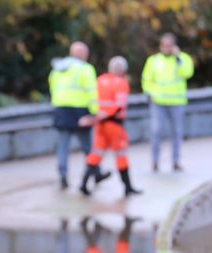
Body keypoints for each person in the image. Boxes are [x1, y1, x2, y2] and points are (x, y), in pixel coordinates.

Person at [49, 41, 110, 189]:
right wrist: (95, 112)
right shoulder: (85, 69)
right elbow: (92, 92)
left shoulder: (57, 69)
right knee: (88, 146)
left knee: (63, 145)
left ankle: (63, 175)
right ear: (82, 54)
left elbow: (52, 87)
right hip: (80, 111)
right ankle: (96, 172)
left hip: (61, 109)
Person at [78, 56, 142, 197]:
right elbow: (119, 106)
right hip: (114, 124)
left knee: (96, 153)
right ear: (123, 70)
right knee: (121, 155)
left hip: (100, 124)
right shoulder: (121, 83)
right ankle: (128, 187)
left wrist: (95, 117)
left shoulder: (99, 80)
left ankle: (83, 184)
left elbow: (93, 100)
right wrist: (107, 116)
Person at [141, 32, 194, 172]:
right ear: (160, 46)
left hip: (177, 102)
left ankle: (176, 161)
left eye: (169, 45)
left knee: (177, 132)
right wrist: (151, 93)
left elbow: (187, 73)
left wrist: (177, 58)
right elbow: (146, 79)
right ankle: (155, 162)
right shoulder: (153, 61)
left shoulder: (183, 59)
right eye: (164, 45)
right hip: (158, 102)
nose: (167, 48)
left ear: (174, 46)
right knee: (156, 131)